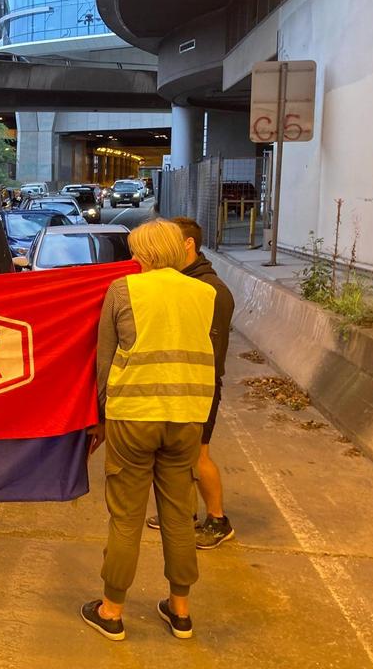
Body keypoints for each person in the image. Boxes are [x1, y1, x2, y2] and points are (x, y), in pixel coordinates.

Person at [82, 219, 216, 641]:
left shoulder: (124, 289)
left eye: (137, 251)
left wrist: (100, 417)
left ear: (148, 254)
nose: (132, 258)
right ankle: (180, 611)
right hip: (187, 415)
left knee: (126, 516)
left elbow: (106, 359)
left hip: (134, 414)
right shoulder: (205, 293)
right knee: (178, 515)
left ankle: (112, 609)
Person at [145, 217, 236, 549]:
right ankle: (186, 514)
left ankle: (218, 520)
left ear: (187, 245)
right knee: (178, 455)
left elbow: (213, 353)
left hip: (200, 387)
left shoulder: (212, 291)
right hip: (178, 383)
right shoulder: (179, 282)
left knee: (198, 455)